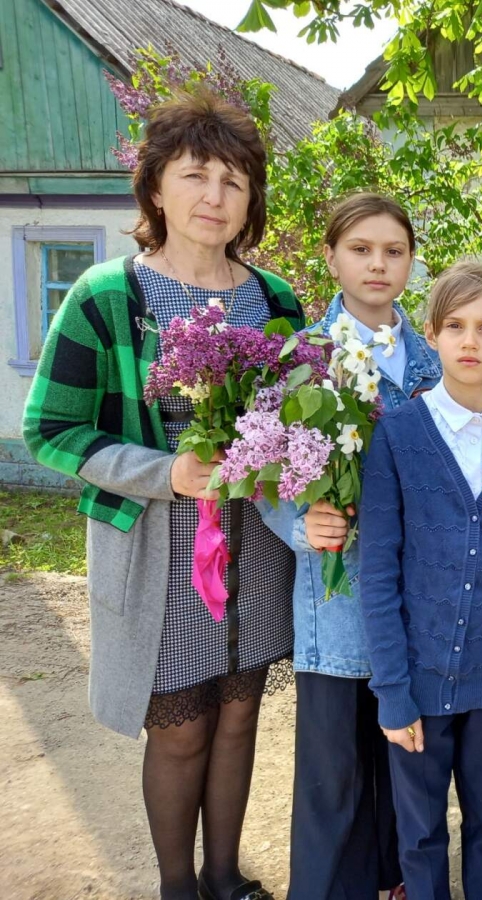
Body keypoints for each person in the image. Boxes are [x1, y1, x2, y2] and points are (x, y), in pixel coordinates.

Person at [22, 89, 304, 900]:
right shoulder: (108, 297)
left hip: (254, 551)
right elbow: (51, 431)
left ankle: (226, 876)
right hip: (158, 557)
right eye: (196, 175)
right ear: (154, 187)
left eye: (235, 181)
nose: (215, 197)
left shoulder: (274, 300)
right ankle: (178, 885)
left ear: (252, 199)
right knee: (180, 732)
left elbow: (297, 419)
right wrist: (166, 472)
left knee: (241, 717)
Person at [358, 259, 482, 900]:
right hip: (416, 685)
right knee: (418, 835)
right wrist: (392, 688)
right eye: (454, 326)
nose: (469, 341)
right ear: (432, 334)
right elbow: (378, 573)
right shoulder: (398, 436)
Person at [258, 193, 440, 900]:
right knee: (334, 777)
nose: (378, 264)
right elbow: (262, 471)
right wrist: (299, 527)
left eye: (394, 251)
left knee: (405, 765)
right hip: (334, 603)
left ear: (411, 263)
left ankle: (397, 884)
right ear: (331, 256)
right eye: (361, 249)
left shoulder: (433, 361)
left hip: (414, 607)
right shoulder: (303, 357)